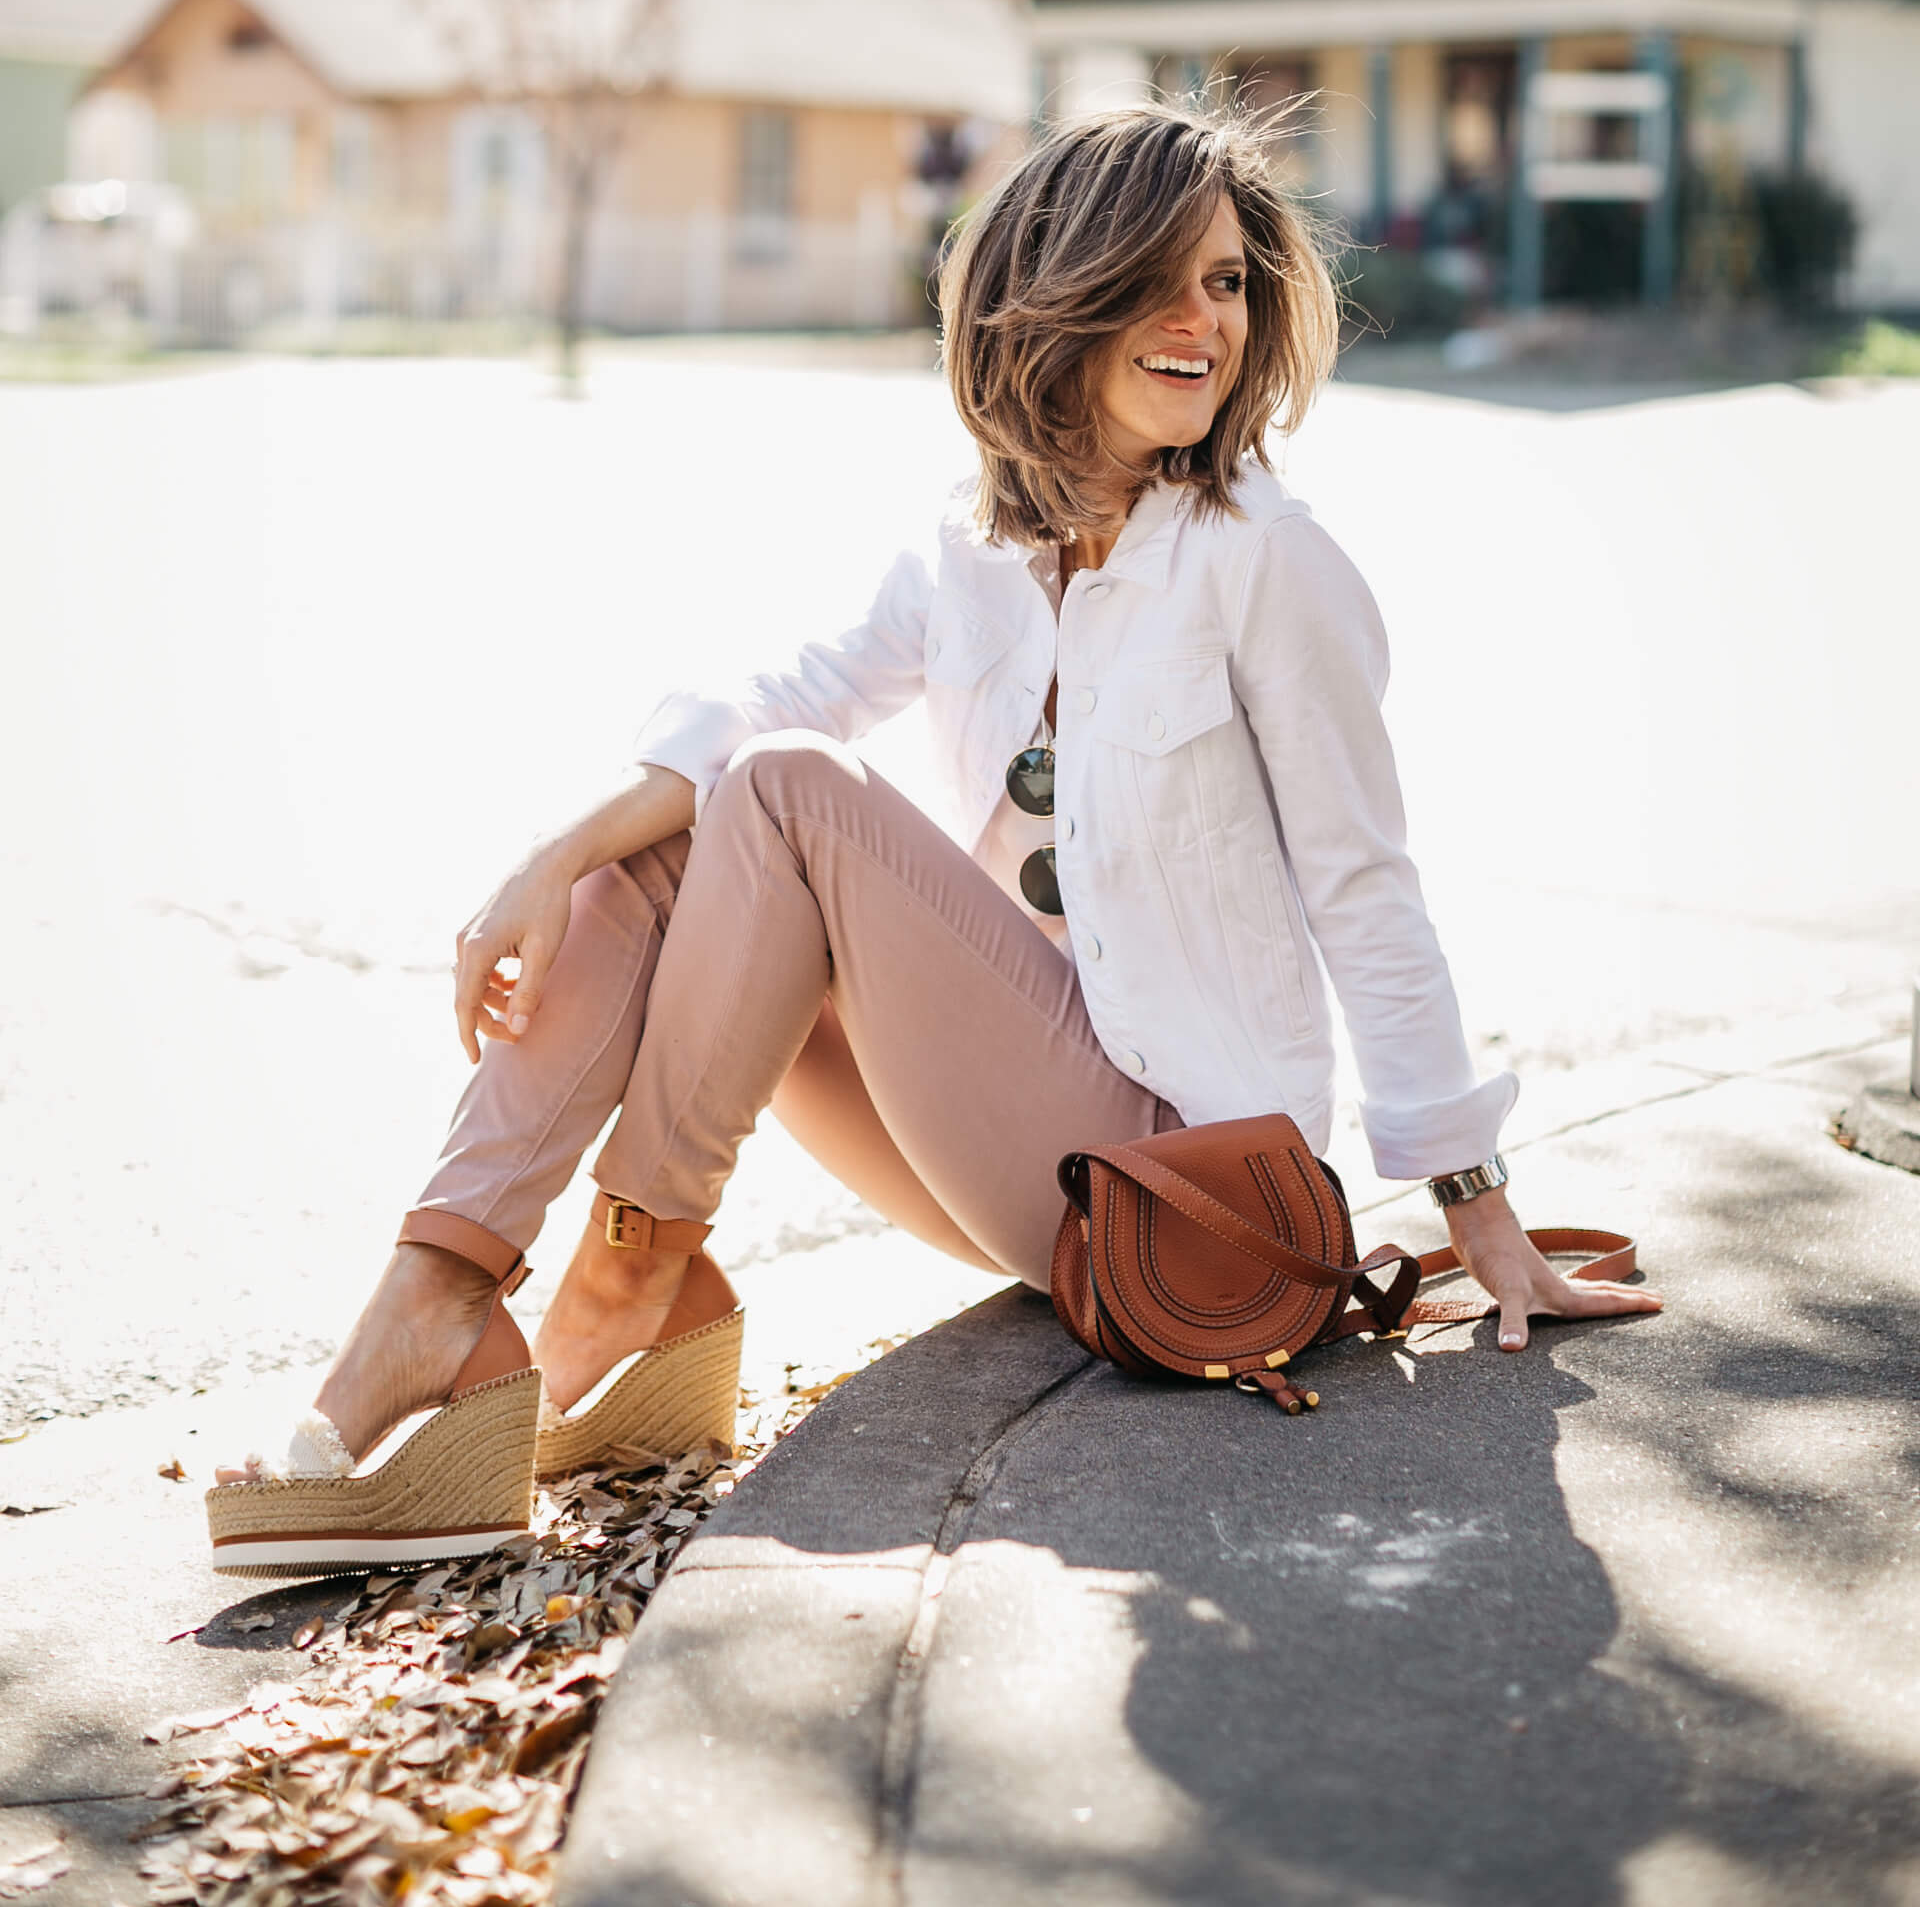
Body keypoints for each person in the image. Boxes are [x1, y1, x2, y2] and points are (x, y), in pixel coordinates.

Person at [207, 101, 1660, 1574]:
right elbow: (772, 698)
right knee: (671, 830)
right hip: (1022, 1150)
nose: (1200, 318)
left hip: (1192, 1192)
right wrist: (549, 857)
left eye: (1225, 281)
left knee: (773, 789)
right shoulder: (969, 552)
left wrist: (1479, 1212)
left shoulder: (1262, 560)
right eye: (1158, 275)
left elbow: (1367, 886)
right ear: (1055, 297)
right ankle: (453, 1292)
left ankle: (614, 1288)